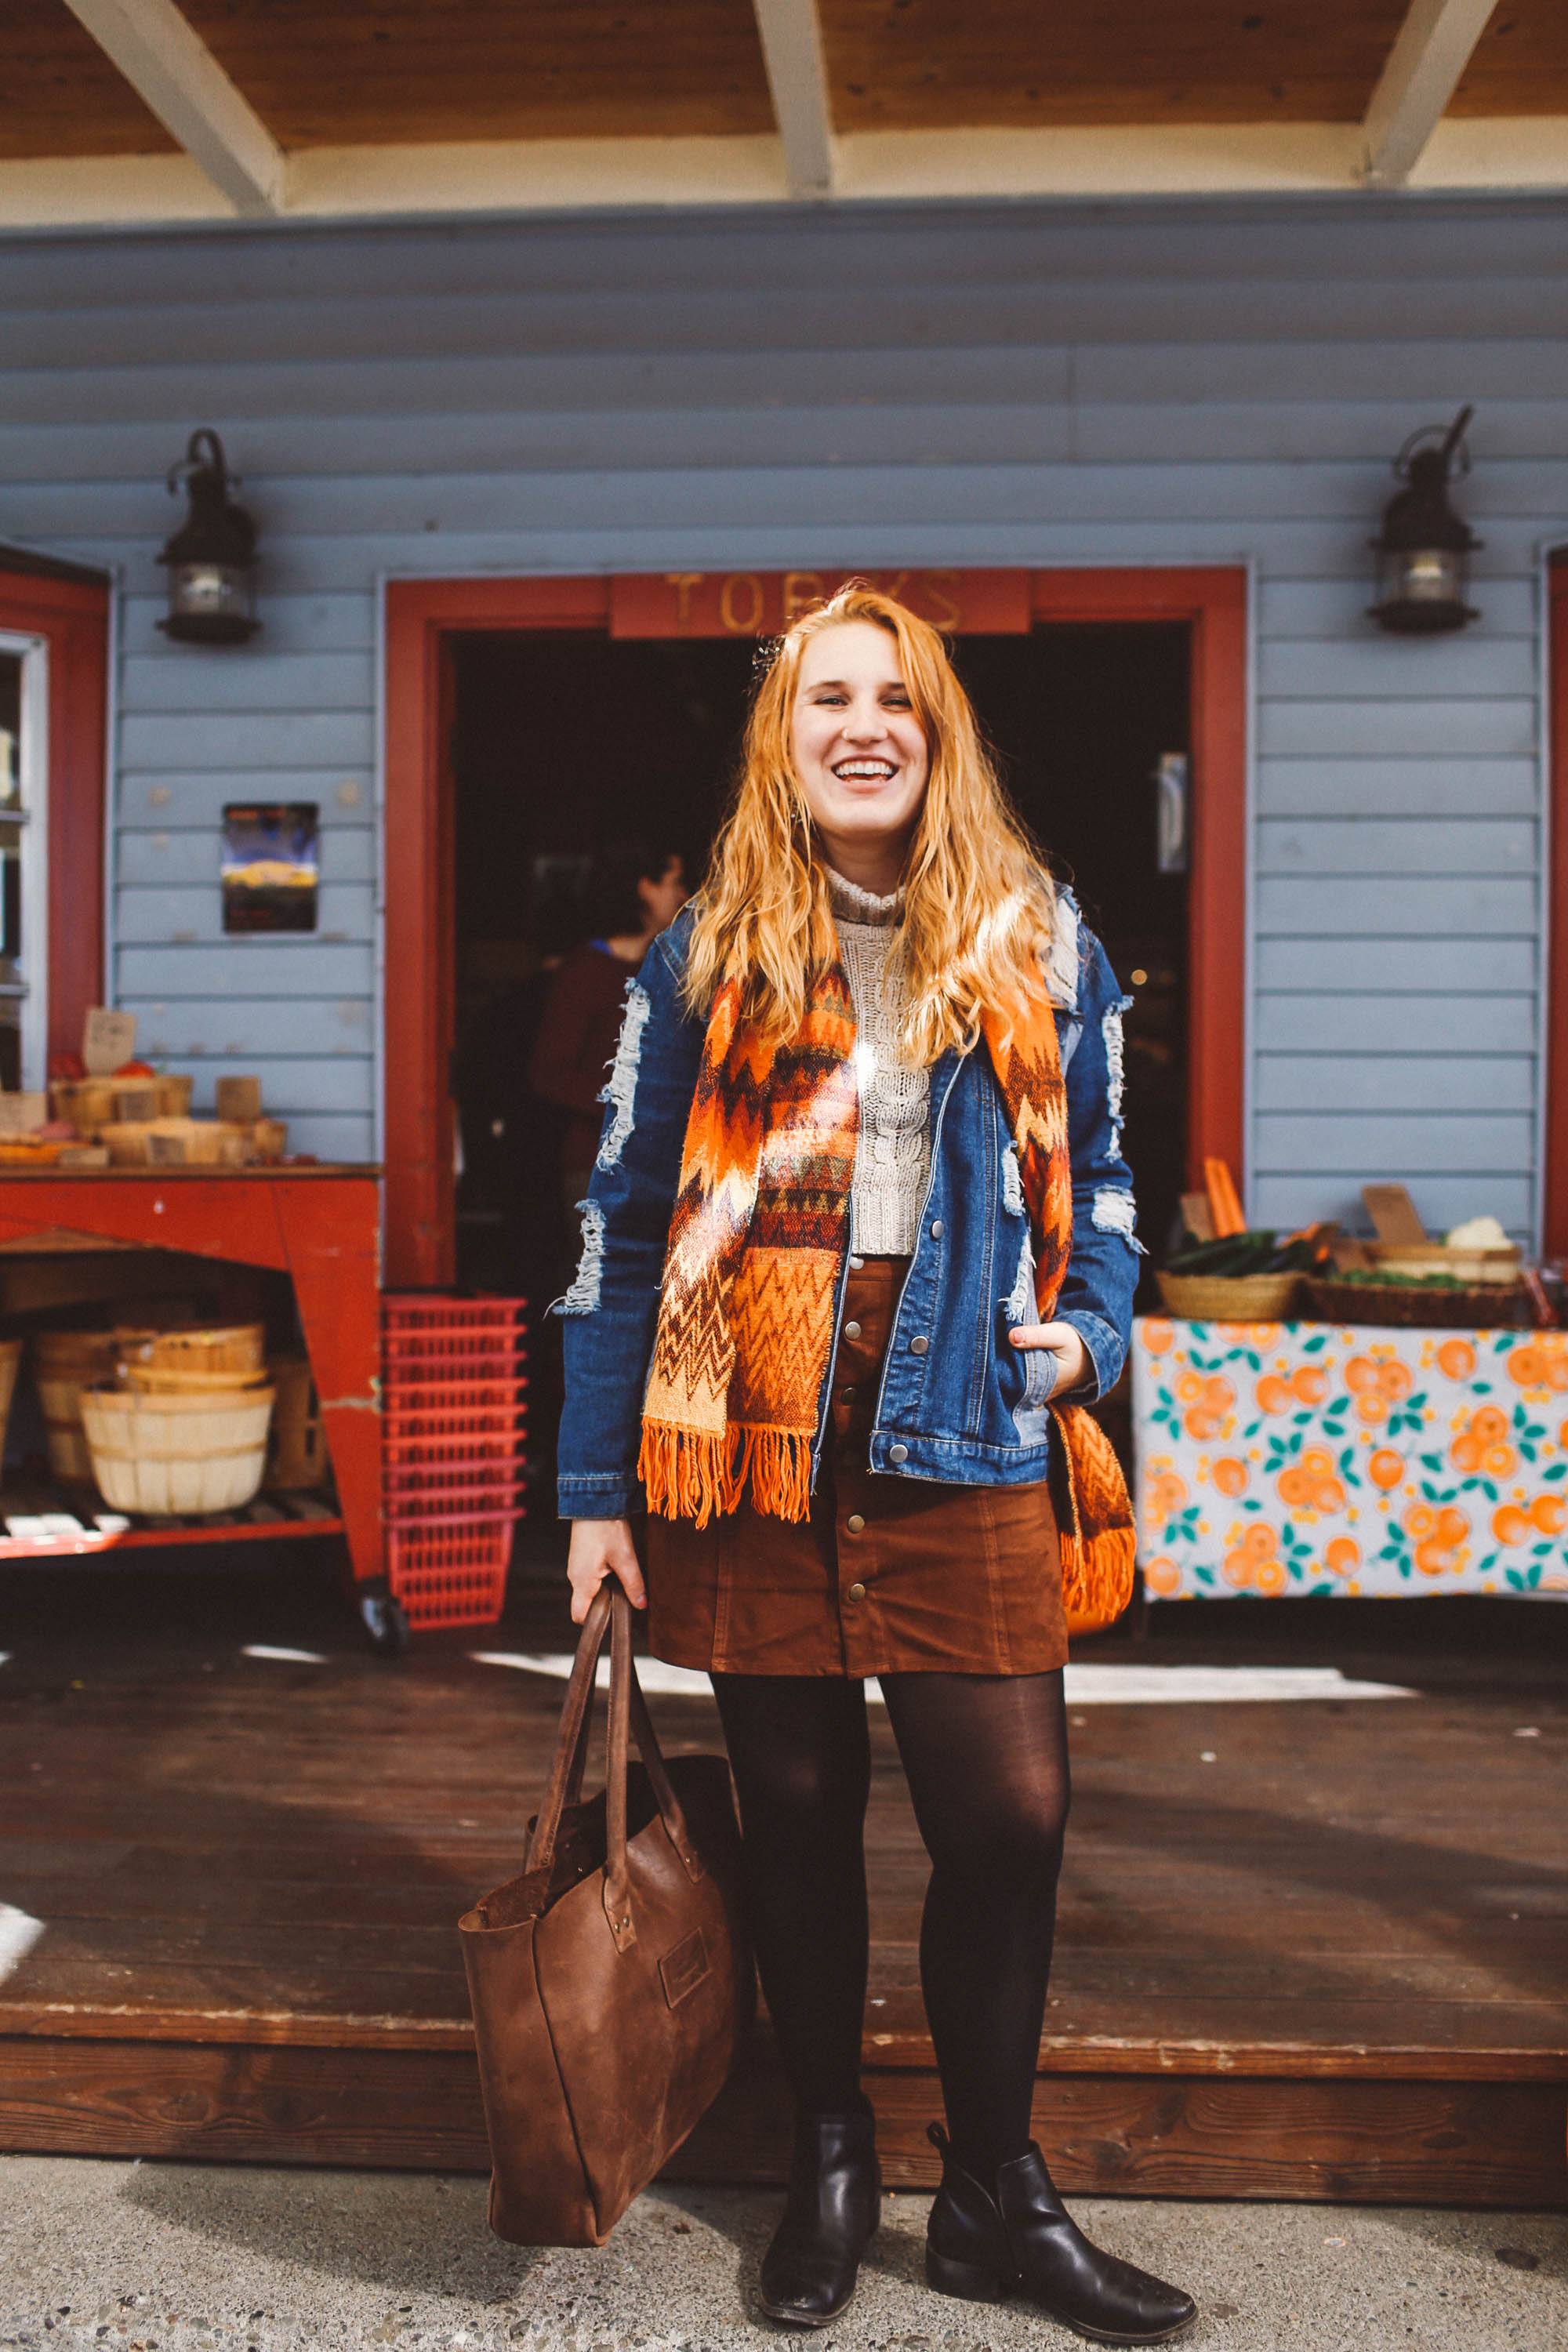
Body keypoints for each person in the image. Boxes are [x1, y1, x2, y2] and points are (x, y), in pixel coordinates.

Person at [549, 586, 1195, 2343]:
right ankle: (829, 2153)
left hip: (968, 1415)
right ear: (785, 734)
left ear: (937, 732)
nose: (862, 723)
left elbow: (1114, 1185)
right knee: (804, 1812)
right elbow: (617, 1222)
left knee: (1012, 1813)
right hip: (747, 1433)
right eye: (827, 694)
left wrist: (1095, 1333)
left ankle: (994, 2187)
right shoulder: (701, 954)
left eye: (895, 698)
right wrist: (592, 1491)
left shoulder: (1038, 931)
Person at [527, 836, 688, 1226]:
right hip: (598, 1168)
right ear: (646, 888)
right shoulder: (585, 972)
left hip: (666, 1165)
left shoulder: (674, 969)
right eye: (676, 882)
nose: (685, 895)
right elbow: (549, 1073)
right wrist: (626, 1104)